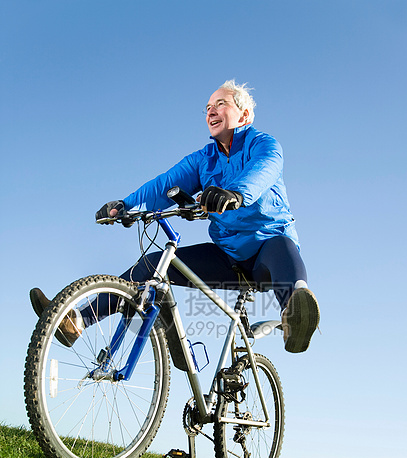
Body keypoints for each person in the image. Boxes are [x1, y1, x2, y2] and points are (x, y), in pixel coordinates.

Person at [30, 79, 320, 353]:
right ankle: (78, 321)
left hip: (267, 250)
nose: (211, 111)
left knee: (281, 246)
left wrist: (235, 194)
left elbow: (263, 170)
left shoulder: (264, 145)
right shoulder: (203, 159)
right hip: (228, 256)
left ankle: (296, 317)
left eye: (220, 104)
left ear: (244, 114)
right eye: (207, 108)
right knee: (153, 264)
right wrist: (125, 205)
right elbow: (164, 183)